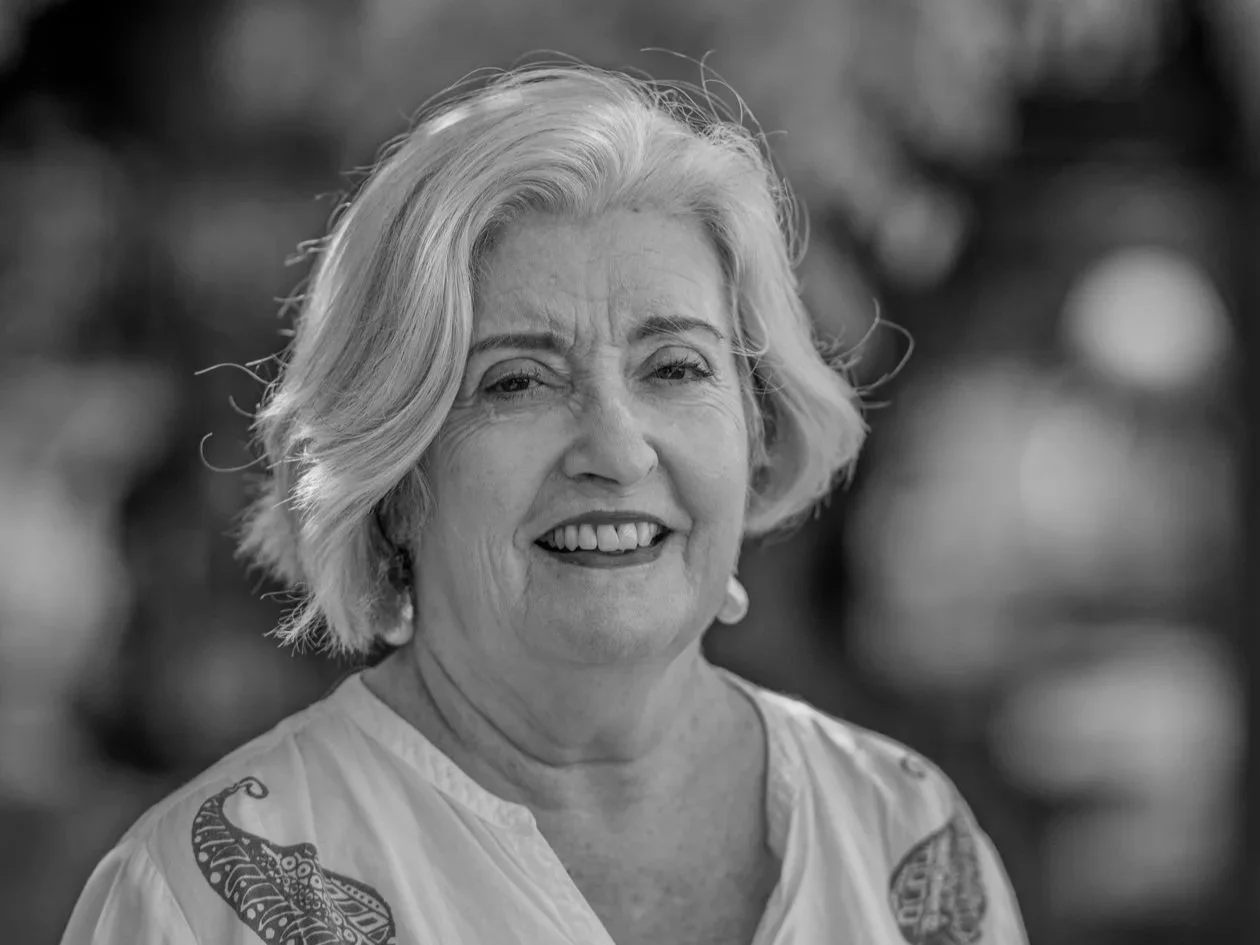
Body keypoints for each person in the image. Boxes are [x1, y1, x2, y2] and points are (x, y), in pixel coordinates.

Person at [61, 63, 1027, 945]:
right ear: (394, 477)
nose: (615, 447)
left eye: (676, 366)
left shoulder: (908, 836)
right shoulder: (195, 899)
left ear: (758, 427)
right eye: (515, 382)